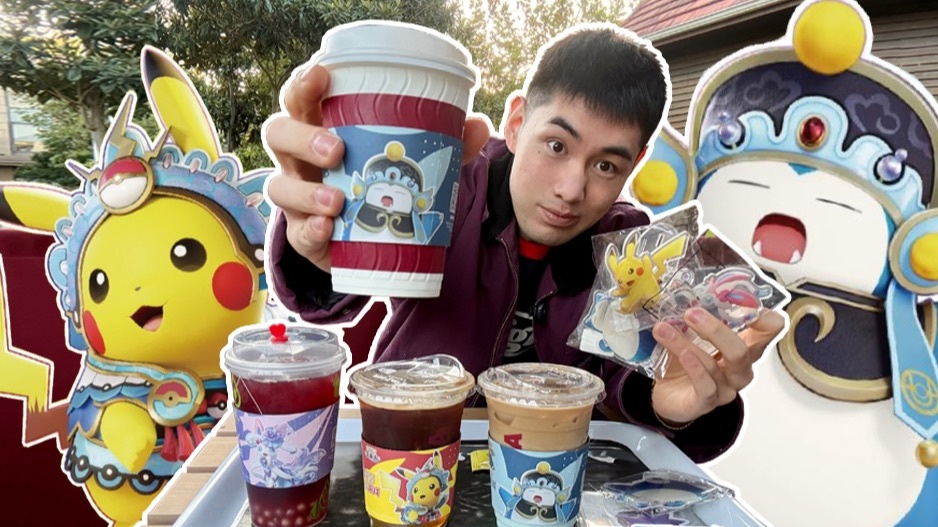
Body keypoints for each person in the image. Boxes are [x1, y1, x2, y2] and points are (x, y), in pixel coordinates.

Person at [261, 23, 786, 462]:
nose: (571, 190)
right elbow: (340, 284)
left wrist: (674, 407)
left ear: (636, 165)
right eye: (556, 145)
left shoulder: (631, 252)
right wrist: (317, 245)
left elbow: (633, 377)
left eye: (606, 165)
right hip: (408, 451)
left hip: (549, 471)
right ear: (516, 123)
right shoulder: (447, 184)